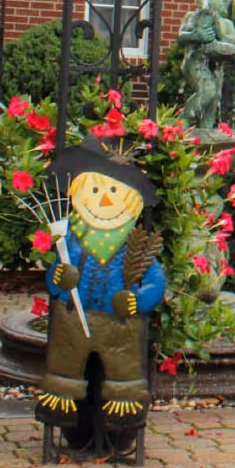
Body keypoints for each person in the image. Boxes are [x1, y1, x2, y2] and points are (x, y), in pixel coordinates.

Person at [37, 138, 166, 428]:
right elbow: (57, 274)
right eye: (95, 191)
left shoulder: (135, 247)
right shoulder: (73, 241)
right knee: (66, 357)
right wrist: (59, 280)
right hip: (73, 317)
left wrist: (138, 300)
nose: (105, 200)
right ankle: (60, 398)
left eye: (113, 192)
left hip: (119, 323)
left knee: (124, 362)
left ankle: (124, 403)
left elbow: (156, 280)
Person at [176, 0, 235, 130]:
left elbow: (231, 43)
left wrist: (220, 31)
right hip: (194, 61)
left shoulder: (226, 23)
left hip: (216, 66)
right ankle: (183, 121)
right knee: (207, 90)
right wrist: (195, 36)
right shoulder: (192, 17)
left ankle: (205, 134)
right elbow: (180, 37)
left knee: (214, 100)